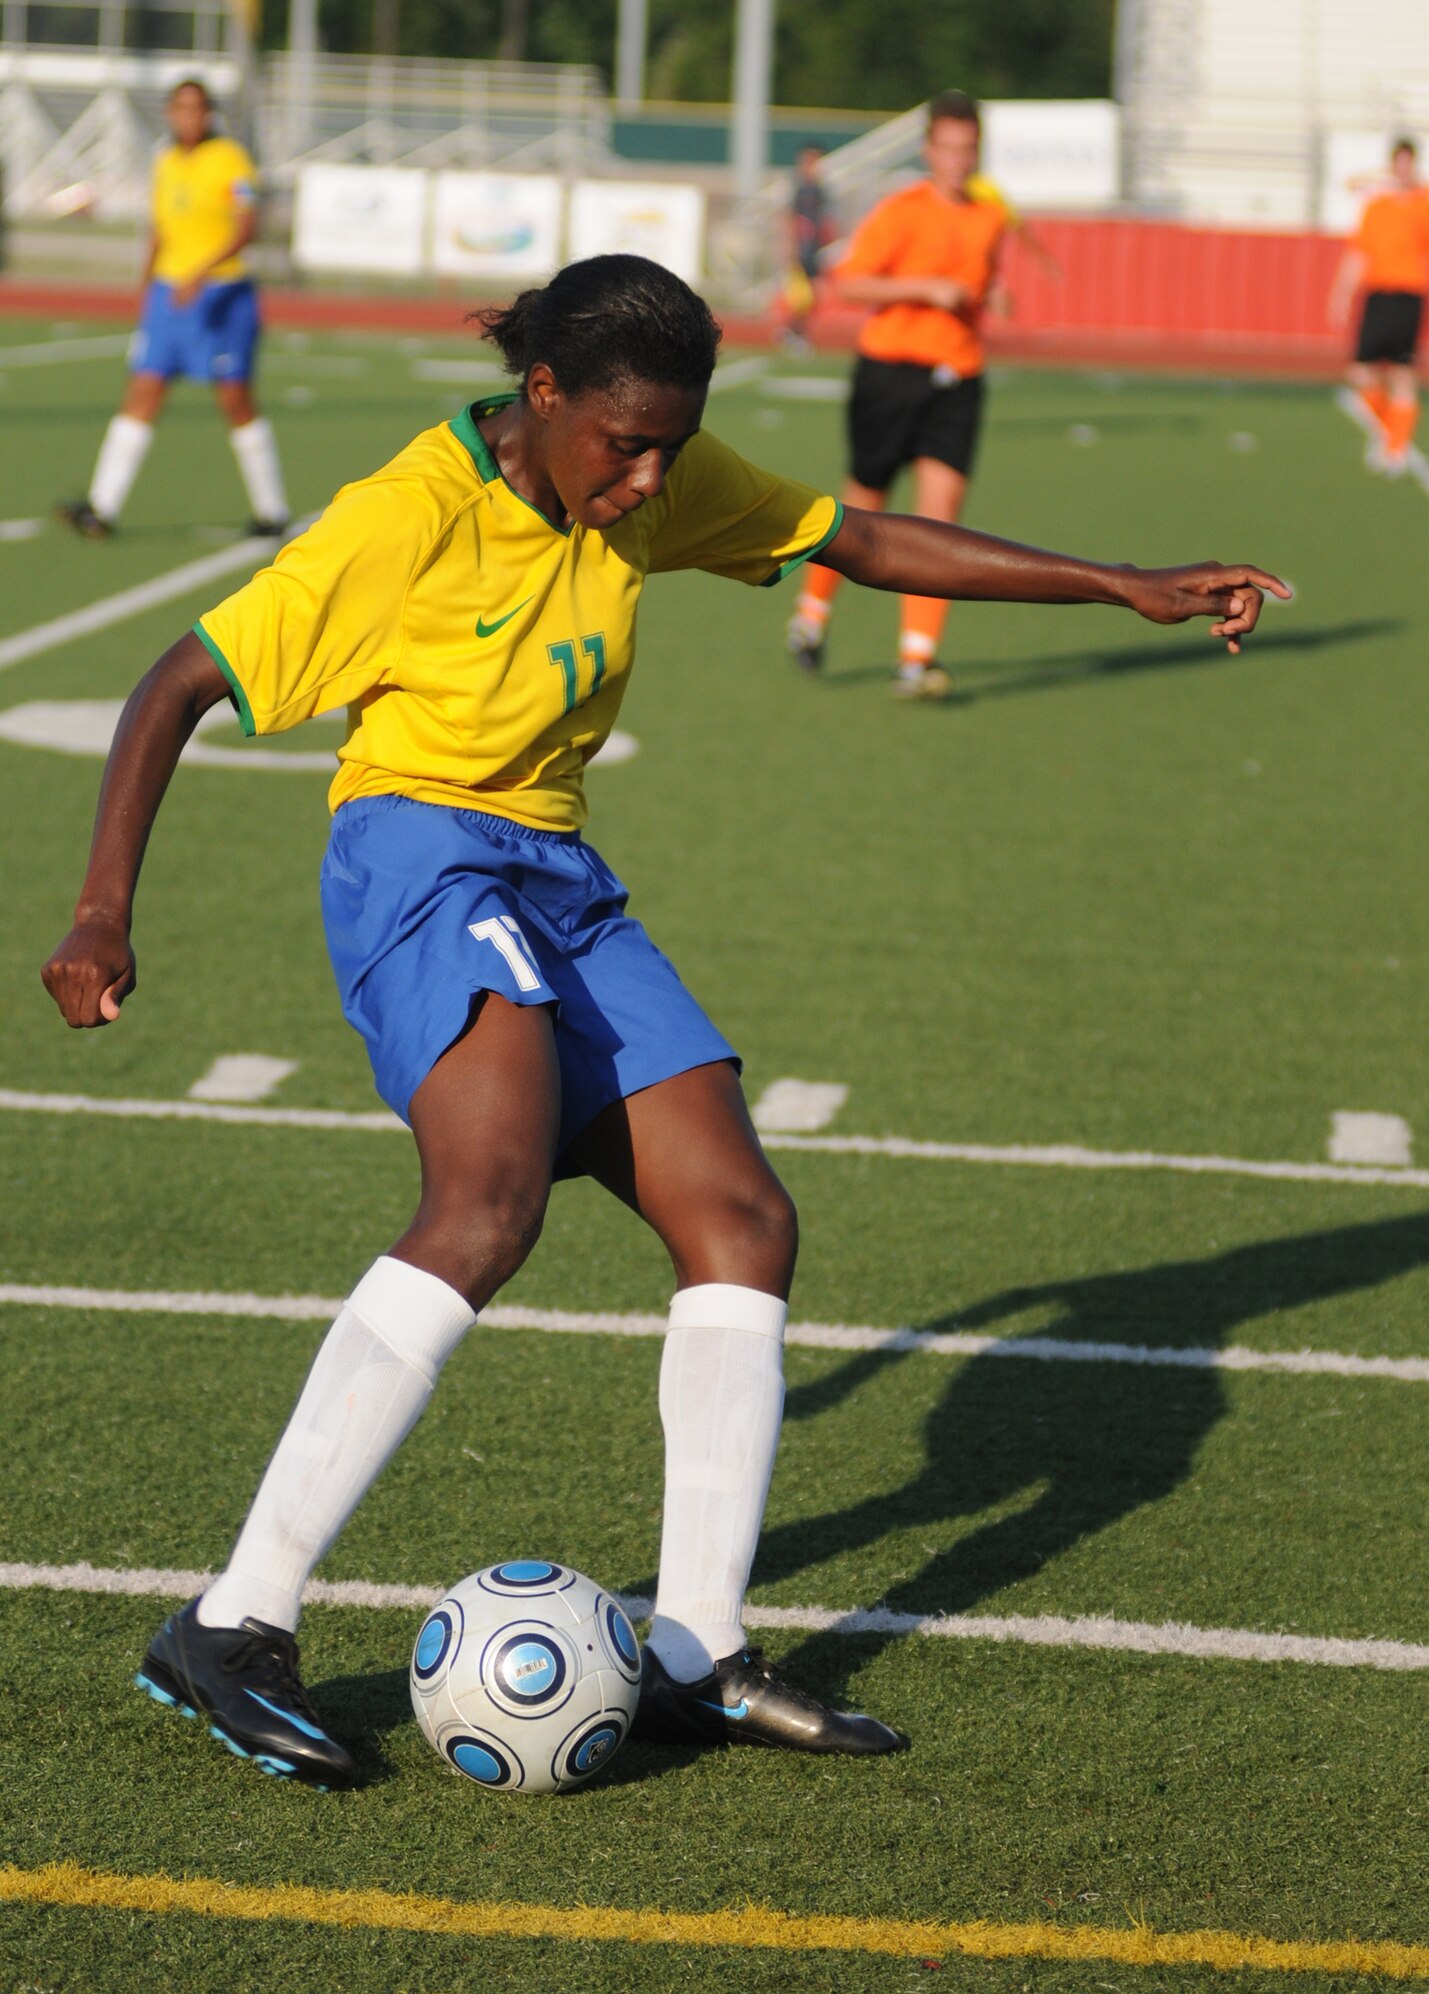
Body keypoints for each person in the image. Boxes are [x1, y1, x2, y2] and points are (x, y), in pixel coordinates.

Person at [41, 254, 1288, 1790]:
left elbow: (860, 532)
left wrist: (1119, 583)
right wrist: (104, 908)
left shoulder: (649, 476)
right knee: (486, 1204)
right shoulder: (405, 518)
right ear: (542, 394)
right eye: (621, 444)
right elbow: (177, 682)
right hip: (420, 854)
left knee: (742, 1218)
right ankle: (231, 1623)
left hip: (557, 867)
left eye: (670, 449)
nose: (648, 480)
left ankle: (694, 1649)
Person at [785, 89, 1009, 699]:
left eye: (969, 149)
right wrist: (923, 289)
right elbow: (850, 283)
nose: (959, 160)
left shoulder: (990, 218)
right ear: (929, 149)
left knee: (940, 522)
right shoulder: (902, 210)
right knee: (865, 506)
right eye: (949, 148)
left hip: (958, 377)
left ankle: (916, 657)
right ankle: (811, 617)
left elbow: (982, 285)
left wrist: (993, 298)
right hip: (890, 374)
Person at [57, 77, 289, 541]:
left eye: (198, 108)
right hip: (169, 298)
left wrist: (202, 273)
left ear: (209, 114)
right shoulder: (165, 162)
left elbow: (247, 227)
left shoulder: (230, 161)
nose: (189, 116)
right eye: (180, 108)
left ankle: (272, 510)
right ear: (169, 113)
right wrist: (147, 285)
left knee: (234, 399)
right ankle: (101, 510)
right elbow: (160, 229)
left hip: (221, 295)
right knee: (143, 391)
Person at [1328, 137, 1429, 475]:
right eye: (1397, 163)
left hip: (1408, 294)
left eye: (1407, 163)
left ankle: (1396, 447)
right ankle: (1389, 431)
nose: (1403, 170)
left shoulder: (1422, 204)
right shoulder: (1376, 206)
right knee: (1360, 371)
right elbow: (1358, 253)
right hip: (1378, 295)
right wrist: (1341, 293)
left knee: (1402, 372)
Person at [778, 146, 833, 353]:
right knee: (802, 297)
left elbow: (824, 221)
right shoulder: (798, 188)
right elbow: (788, 219)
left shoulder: (820, 188)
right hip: (801, 250)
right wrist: (789, 247)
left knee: (813, 296)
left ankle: (797, 333)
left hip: (814, 250)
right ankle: (793, 332)